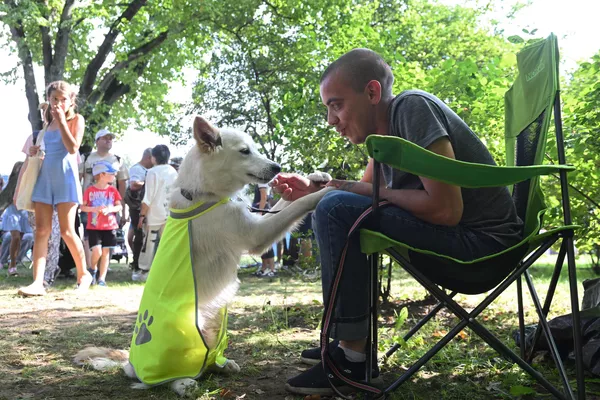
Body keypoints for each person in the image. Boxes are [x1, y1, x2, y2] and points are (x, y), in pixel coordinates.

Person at [273, 49, 524, 395]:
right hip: (464, 240)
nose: (331, 120)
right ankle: (350, 348)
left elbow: (446, 210)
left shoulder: (411, 108)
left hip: (482, 250)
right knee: (333, 205)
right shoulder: (384, 138)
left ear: (372, 93)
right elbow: (363, 194)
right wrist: (315, 191)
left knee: (335, 209)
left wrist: (351, 197)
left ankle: (351, 357)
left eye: (337, 105)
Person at [18, 81, 93, 296]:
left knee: (68, 231)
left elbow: (72, 148)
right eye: (54, 99)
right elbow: (45, 149)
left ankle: (83, 274)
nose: (59, 103)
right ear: (49, 100)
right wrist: (34, 150)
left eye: (63, 99)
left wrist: (61, 121)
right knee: (41, 231)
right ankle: (38, 283)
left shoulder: (76, 120)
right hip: (44, 179)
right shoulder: (46, 122)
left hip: (66, 179)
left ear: (71, 101)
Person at [79, 128, 129, 269]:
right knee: (89, 236)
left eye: (110, 138)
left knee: (109, 237)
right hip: (89, 206)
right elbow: (78, 180)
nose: (108, 140)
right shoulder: (87, 157)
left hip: (110, 207)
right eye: (105, 138)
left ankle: (103, 270)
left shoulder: (117, 160)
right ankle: (90, 268)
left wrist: (123, 210)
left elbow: (122, 185)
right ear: (97, 141)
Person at [133, 144, 177, 282]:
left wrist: (142, 215)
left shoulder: (153, 172)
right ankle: (167, 272)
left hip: (155, 214)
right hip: (170, 213)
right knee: (167, 244)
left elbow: (148, 197)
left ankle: (145, 272)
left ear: (153, 158)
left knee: (149, 243)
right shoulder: (173, 171)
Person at [80, 161, 123, 287]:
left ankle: (102, 279)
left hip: (110, 226)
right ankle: (92, 269)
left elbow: (118, 206)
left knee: (106, 252)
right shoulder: (89, 191)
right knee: (97, 251)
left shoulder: (113, 191)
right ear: (102, 174)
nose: (114, 176)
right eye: (111, 174)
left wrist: (110, 209)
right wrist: (94, 209)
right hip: (94, 226)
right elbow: (82, 207)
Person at [0, 162, 33, 275]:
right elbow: (3, 201)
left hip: (23, 214)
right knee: (15, 238)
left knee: (20, 239)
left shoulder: (28, 184)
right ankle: (11, 264)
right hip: (12, 214)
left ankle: (13, 264)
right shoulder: (8, 186)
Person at [125, 148, 153, 271]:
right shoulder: (137, 169)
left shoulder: (147, 169)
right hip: (137, 207)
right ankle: (137, 263)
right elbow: (133, 184)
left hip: (142, 206)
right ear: (148, 158)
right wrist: (149, 183)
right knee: (140, 235)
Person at [252, 183, 277, 277]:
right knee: (261, 241)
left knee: (266, 240)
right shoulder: (260, 181)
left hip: (262, 212)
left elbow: (264, 197)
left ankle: (272, 269)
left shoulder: (262, 181)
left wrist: (259, 213)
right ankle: (264, 267)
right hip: (261, 210)